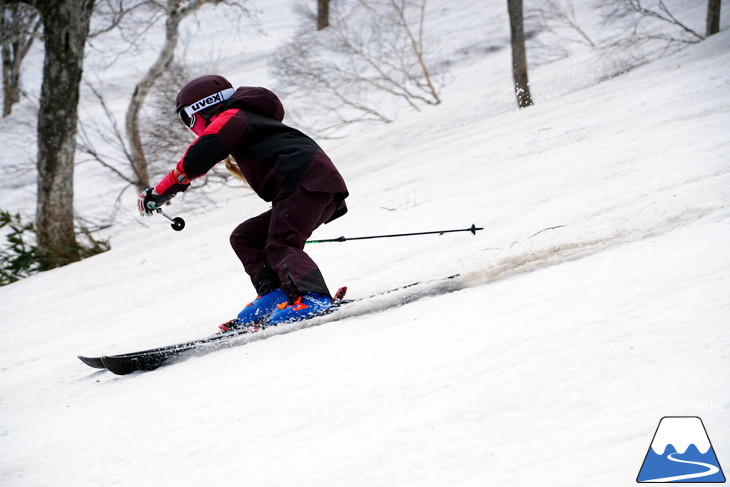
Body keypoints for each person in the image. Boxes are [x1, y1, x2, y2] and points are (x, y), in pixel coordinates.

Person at [137, 74, 348, 327]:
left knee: (281, 243)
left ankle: (312, 297)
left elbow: (201, 153)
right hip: (309, 186)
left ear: (200, 109)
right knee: (245, 236)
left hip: (307, 184)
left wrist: (163, 190)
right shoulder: (242, 118)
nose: (189, 125)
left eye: (187, 118)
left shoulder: (233, 116)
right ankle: (274, 294)